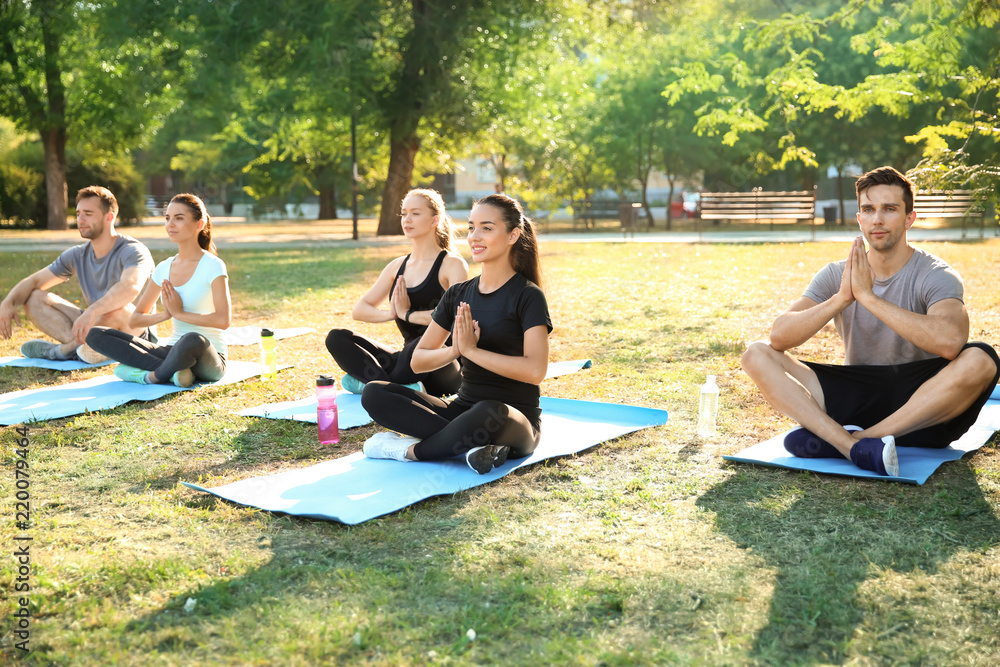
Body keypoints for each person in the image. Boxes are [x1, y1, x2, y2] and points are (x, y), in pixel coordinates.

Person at [741, 166, 1000, 476]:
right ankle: (849, 445)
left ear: (909, 218)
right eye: (868, 209)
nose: (877, 218)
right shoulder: (837, 274)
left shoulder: (936, 274)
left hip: (921, 408)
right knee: (756, 353)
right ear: (859, 218)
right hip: (853, 395)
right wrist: (842, 298)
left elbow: (949, 341)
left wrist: (869, 298)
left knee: (983, 358)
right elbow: (780, 336)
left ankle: (853, 440)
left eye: (889, 209)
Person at [360, 193, 552, 474]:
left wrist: (473, 351)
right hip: (461, 409)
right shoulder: (458, 294)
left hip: (511, 418)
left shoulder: (528, 296)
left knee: (490, 411)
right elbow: (418, 361)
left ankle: (407, 451)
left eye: (487, 228)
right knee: (375, 392)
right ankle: (471, 446)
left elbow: (535, 371)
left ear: (513, 235)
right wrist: (454, 350)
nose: (474, 236)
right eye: (472, 227)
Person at [326, 188, 468, 396]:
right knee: (336, 337)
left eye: (415, 213)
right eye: (404, 213)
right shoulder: (397, 266)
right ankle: (394, 387)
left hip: (442, 364)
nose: (407, 219)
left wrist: (407, 314)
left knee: (425, 342)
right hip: (406, 360)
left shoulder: (452, 264)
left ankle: (374, 382)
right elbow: (360, 310)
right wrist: (391, 314)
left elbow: (457, 318)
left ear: (434, 220)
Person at [85, 194, 231, 387]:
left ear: (199, 224)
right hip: (171, 351)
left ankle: (152, 376)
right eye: (167, 218)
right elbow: (136, 319)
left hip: (209, 357)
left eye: (179, 218)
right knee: (96, 334)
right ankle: (175, 373)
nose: (170, 224)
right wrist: (165, 315)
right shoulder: (164, 268)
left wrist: (180, 313)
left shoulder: (213, 266)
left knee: (193, 339)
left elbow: (223, 320)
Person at [0, 186, 154, 363]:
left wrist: (92, 311)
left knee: (117, 308)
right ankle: (84, 348)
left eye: (88, 213)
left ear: (109, 217)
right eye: (79, 213)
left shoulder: (134, 250)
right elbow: (35, 281)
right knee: (33, 297)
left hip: (135, 331)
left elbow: (130, 287)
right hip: (93, 323)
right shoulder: (77, 254)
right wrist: (8, 302)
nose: (80, 219)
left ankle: (61, 351)